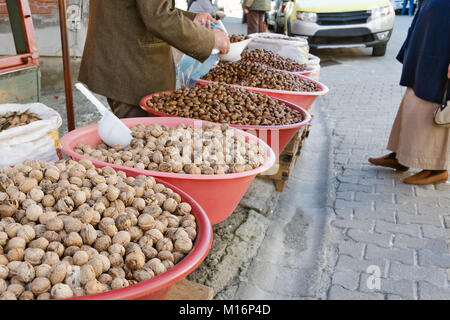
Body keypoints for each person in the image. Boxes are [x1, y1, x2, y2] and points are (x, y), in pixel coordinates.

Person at [78, 0, 230, 119]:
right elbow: (159, 17)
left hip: (121, 59)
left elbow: (149, 8)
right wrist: (210, 40)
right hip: (132, 67)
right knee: (138, 144)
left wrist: (191, 19)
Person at [369, 0, 450, 185]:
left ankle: (436, 168)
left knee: (430, 105)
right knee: (412, 99)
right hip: (427, 44)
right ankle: (401, 156)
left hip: (442, 51)